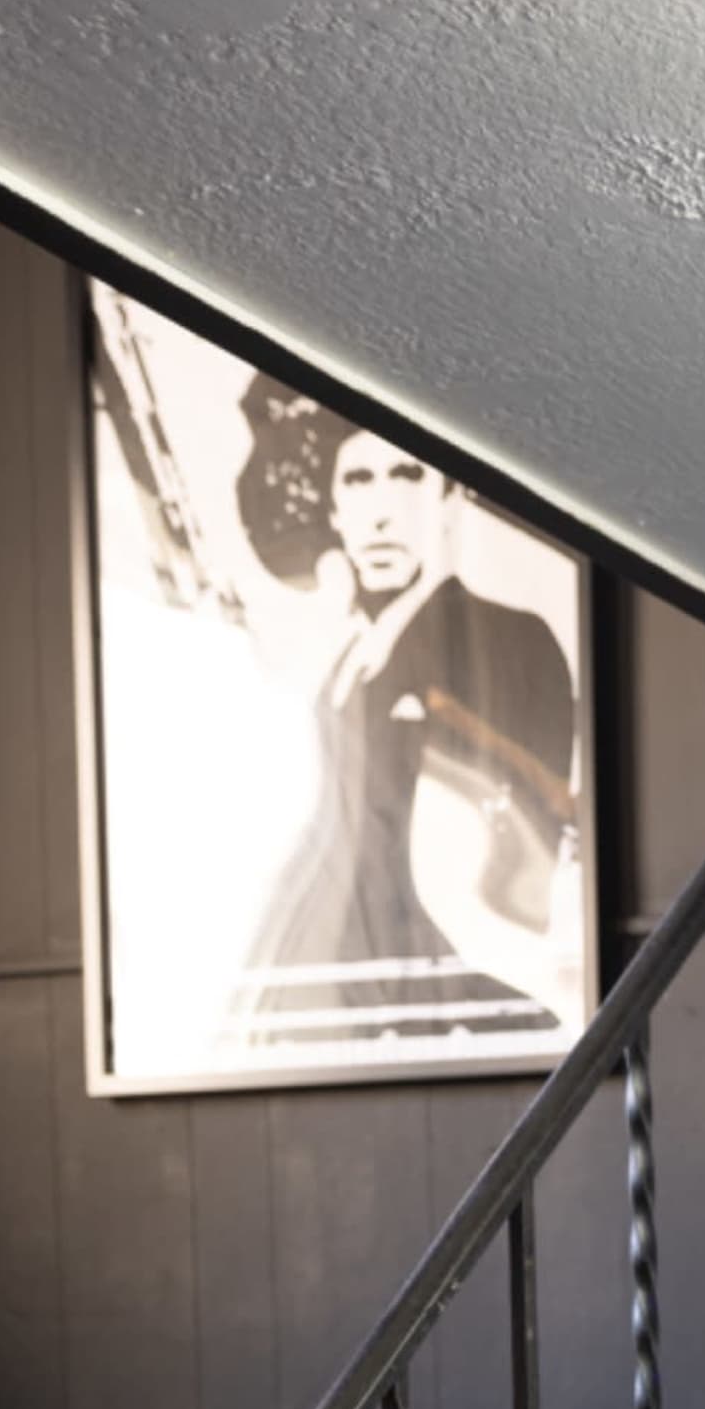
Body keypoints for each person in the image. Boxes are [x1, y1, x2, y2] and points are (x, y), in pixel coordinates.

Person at [230, 398, 581, 1062]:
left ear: (448, 498)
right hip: (341, 1002)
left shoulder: (507, 638)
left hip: (430, 1000)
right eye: (359, 481)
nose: (383, 510)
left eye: (408, 477)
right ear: (333, 508)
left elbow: (505, 865)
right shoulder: (345, 661)